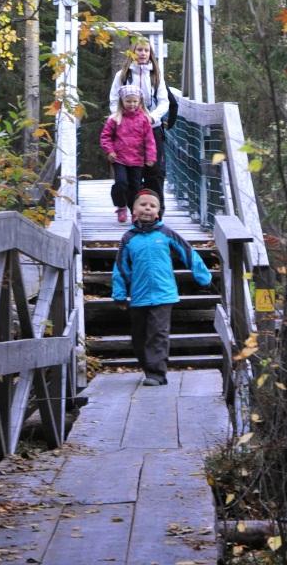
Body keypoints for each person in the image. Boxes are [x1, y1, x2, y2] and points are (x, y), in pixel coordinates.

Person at [112, 187, 212, 385]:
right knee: (139, 337)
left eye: (152, 206)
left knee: (158, 333)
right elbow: (120, 267)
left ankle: (156, 374)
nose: (147, 208)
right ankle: (148, 367)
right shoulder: (129, 238)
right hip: (139, 295)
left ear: (158, 212)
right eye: (143, 205)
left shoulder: (166, 234)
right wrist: (120, 294)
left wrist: (204, 277)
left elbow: (189, 253)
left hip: (164, 294)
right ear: (134, 210)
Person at [109, 37, 170, 212]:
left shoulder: (156, 76)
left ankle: (157, 212)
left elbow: (164, 101)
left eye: (146, 50)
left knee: (155, 172)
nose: (143, 53)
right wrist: (120, 117)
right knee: (130, 174)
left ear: (150, 54)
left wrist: (152, 117)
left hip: (152, 129)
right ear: (132, 52)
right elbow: (114, 100)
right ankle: (131, 209)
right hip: (127, 131)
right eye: (139, 50)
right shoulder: (123, 75)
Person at [99, 84, 157, 224]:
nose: (131, 104)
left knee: (135, 187)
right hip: (120, 158)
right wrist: (110, 151)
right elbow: (105, 137)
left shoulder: (144, 119)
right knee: (121, 183)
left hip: (137, 159)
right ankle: (121, 206)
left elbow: (149, 140)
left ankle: (134, 212)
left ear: (140, 102)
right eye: (128, 101)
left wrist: (150, 157)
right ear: (122, 102)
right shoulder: (115, 119)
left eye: (135, 101)